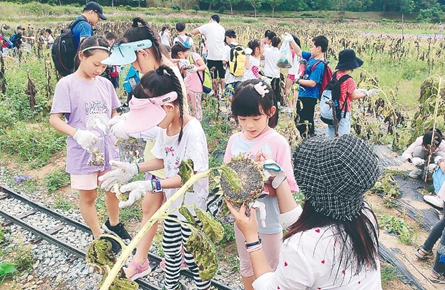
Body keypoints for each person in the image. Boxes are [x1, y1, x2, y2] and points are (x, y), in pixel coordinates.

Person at [227, 134, 382, 289]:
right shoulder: (365, 216)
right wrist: (279, 180)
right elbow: (304, 225)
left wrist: (252, 238)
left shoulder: (301, 248)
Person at [104, 65, 211, 290]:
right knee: (170, 251)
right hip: (172, 206)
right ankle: (170, 287)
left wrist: (151, 184)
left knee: (193, 257)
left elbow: (190, 177)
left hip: (191, 209)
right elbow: (164, 160)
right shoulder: (166, 127)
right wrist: (135, 168)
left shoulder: (192, 131)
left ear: (170, 106)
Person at [99, 16, 189, 279]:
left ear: (143, 52)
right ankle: (150, 259)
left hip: (170, 153)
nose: (133, 67)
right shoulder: (153, 72)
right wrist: (126, 121)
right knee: (153, 209)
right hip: (159, 152)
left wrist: (129, 129)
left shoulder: (166, 76)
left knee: (168, 211)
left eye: (134, 61)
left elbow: (166, 122)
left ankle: (164, 259)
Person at [49, 35, 130, 255]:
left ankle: (113, 225)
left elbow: (113, 111)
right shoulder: (66, 84)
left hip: (107, 147)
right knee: (89, 196)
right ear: (81, 56)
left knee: (113, 188)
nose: (100, 69)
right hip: (84, 150)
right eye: (96, 64)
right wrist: (77, 133)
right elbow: (54, 118)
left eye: (104, 65)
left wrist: (117, 121)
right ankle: (99, 235)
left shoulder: (105, 84)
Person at [224, 79, 298, 290]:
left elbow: (288, 190)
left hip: (269, 223)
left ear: (271, 112)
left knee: (270, 270)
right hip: (243, 221)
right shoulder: (234, 141)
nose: (249, 125)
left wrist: (266, 177)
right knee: (247, 265)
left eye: (256, 118)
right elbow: (226, 177)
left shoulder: (277, 143)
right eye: (242, 119)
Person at [325, 49, 379, 138]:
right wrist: (367, 94)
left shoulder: (335, 75)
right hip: (343, 111)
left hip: (333, 109)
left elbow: (344, 91)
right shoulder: (349, 80)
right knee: (343, 137)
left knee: (331, 135)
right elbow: (353, 96)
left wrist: (361, 90)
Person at [288, 34, 329, 137]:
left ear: (318, 48)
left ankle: (309, 140)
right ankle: (306, 139)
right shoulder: (311, 57)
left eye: (312, 46)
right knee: (300, 119)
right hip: (303, 94)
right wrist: (291, 40)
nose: (310, 48)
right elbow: (298, 52)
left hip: (309, 97)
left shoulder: (319, 64)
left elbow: (312, 83)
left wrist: (297, 80)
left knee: (306, 121)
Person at [171, 42, 207, 121]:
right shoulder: (183, 59)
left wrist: (196, 69)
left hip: (196, 87)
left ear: (179, 54)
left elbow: (204, 66)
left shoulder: (194, 55)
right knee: (185, 105)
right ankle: (189, 121)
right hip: (187, 85)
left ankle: (198, 123)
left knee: (196, 107)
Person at [192, 14, 225, 97]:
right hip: (222, 56)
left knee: (213, 77)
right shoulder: (222, 28)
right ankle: (223, 93)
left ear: (211, 19)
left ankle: (215, 94)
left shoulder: (208, 26)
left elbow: (194, 32)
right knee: (222, 76)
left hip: (212, 57)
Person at [222, 29, 244, 101]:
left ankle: (233, 109)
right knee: (238, 94)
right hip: (240, 76)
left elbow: (224, 62)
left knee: (229, 95)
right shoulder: (242, 47)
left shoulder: (227, 48)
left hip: (230, 76)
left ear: (227, 37)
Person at [263, 36, 282, 106]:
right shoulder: (279, 53)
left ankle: (267, 103)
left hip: (267, 73)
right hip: (275, 74)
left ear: (271, 42)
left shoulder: (267, 51)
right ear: (278, 44)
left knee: (266, 90)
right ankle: (276, 104)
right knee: (276, 90)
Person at [284, 35, 301, 104]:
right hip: (298, 75)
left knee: (287, 89)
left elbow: (288, 64)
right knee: (295, 90)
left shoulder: (292, 52)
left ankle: (290, 105)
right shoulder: (299, 52)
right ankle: (294, 105)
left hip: (291, 74)